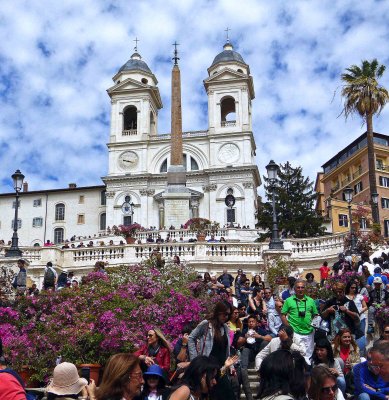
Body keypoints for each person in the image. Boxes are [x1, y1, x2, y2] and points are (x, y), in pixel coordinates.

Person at [281, 279, 318, 361]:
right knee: (297, 354)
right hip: (295, 332)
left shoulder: (311, 301)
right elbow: (283, 314)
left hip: (309, 332)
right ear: (294, 289)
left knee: (309, 356)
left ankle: (308, 372)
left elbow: (315, 314)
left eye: (302, 287)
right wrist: (288, 327)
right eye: (298, 288)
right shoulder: (288, 300)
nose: (300, 289)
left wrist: (312, 323)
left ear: (305, 289)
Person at [238, 315, 272, 400]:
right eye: (249, 322)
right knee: (245, 350)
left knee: (265, 342)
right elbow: (238, 343)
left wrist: (259, 336)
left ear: (257, 323)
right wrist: (245, 338)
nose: (251, 323)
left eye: (253, 321)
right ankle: (249, 396)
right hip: (250, 354)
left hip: (260, 354)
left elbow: (270, 338)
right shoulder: (245, 331)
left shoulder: (260, 330)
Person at [345, 280, 367, 355]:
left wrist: (358, 313)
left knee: (361, 335)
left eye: (355, 288)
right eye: (352, 288)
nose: (354, 289)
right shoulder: (345, 297)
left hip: (361, 318)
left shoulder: (359, 296)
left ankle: (362, 353)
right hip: (350, 320)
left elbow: (365, 307)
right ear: (349, 288)